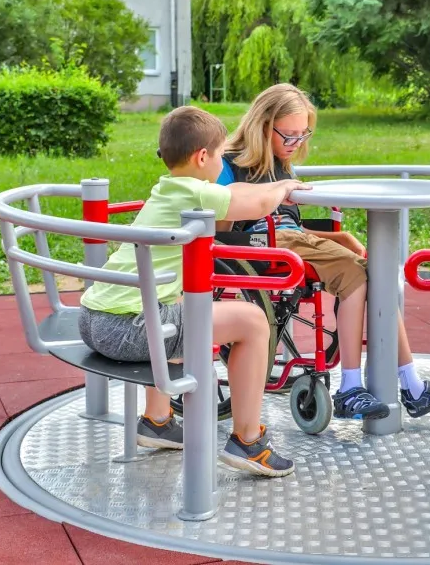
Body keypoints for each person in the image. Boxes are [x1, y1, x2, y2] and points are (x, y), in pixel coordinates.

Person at [217, 83, 430, 420]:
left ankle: (406, 386)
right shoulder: (230, 164)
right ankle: (359, 388)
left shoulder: (281, 163)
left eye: (303, 135)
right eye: (289, 135)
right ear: (263, 126)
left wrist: (342, 238)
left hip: (286, 241)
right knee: (358, 274)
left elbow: (288, 227)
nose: (296, 144)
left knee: (371, 271)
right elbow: (220, 224)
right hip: (260, 249)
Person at [78, 106, 310, 477]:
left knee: (182, 303)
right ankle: (248, 441)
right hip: (130, 329)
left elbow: (236, 191)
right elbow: (255, 204)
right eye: (220, 154)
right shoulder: (197, 193)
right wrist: (285, 186)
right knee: (252, 322)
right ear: (203, 157)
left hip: (93, 320)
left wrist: (265, 186)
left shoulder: (168, 189)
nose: (223, 161)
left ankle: (157, 420)